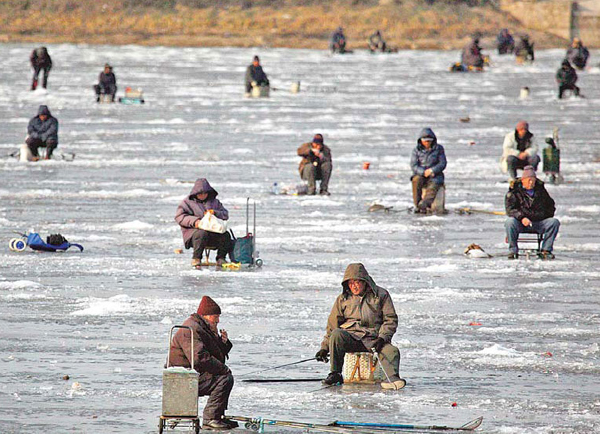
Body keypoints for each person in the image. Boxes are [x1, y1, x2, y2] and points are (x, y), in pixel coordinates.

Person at [315, 263, 405, 390]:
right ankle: (335, 373)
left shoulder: (381, 295)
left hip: (374, 339)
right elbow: (332, 326)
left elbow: (390, 320)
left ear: (365, 281)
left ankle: (392, 378)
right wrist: (324, 348)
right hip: (351, 337)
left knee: (392, 351)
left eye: (357, 282)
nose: (354, 286)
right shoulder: (342, 299)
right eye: (350, 283)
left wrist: (382, 338)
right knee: (337, 334)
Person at [168, 296, 237, 431]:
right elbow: (200, 358)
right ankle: (211, 418)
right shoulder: (191, 329)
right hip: (183, 377)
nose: (218, 320)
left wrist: (223, 342)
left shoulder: (203, 327)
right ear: (206, 316)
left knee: (225, 376)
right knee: (224, 379)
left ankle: (218, 415)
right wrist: (223, 369)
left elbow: (215, 353)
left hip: (193, 373)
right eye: (216, 317)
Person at [175, 178, 232, 269]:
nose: (203, 195)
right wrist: (195, 222)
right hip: (194, 235)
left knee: (226, 235)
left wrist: (215, 212)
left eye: (205, 193)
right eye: (200, 194)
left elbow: (225, 214)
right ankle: (196, 258)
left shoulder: (215, 202)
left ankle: (221, 258)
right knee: (202, 233)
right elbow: (179, 217)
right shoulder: (187, 202)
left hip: (213, 232)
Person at [505, 166, 560, 260]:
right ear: (523, 180)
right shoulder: (514, 192)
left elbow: (550, 206)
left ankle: (546, 250)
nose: (531, 183)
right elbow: (511, 210)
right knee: (509, 222)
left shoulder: (541, 191)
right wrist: (522, 217)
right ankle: (513, 250)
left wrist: (541, 216)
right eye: (528, 180)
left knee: (554, 222)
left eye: (533, 180)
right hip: (521, 223)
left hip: (538, 222)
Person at [410, 128, 446, 213]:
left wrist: (432, 170)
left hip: (435, 175)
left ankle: (425, 204)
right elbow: (414, 165)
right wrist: (423, 172)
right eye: (425, 141)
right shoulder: (416, 150)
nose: (427, 143)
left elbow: (442, 163)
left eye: (429, 141)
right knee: (416, 181)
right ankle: (417, 205)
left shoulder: (439, 149)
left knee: (433, 187)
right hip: (421, 173)